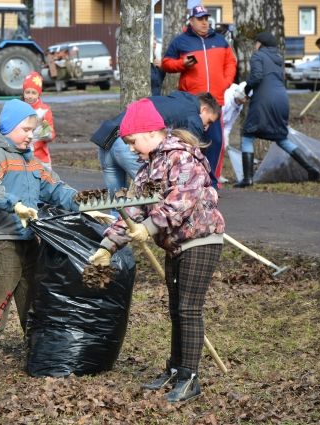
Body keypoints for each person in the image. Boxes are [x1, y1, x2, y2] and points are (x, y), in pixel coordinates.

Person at [89, 98, 225, 403]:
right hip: (176, 243)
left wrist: (148, 228)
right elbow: (133, 210)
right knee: (176, 308)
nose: (132, 148)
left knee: (189, 308)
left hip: (200, 239)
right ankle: (176, 370)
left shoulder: (182, 157)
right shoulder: (148, 167)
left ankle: (190, 378)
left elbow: (180, 203)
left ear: (150, 132)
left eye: (133, 141)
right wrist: (107, 247)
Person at [0, 99, 110, 374]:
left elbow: (56, 188)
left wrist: (86, 207)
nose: (31, 135)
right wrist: (13, 203)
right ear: (8, 128)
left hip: (30, 237)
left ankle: (34, 343)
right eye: (26, 130)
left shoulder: (32, 161)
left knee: (32, 294)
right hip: (1, 238)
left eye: (33, 130)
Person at [162, 4, 237, 188]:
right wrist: (182, 64)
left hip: (214, 102)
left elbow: (231, 63)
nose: (204, 23)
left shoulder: (220, 40)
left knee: (217, 141)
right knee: (190, 143)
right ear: (191, 21)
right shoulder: (181, 41)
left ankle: (211, 183)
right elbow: (166, 63)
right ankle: (186, 182)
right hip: (192, 104)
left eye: (206, 19)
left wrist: (225, 82)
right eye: (200, 19)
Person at [234, 32, 320, 187]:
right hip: (282, 99)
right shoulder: (278, 59)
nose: (255, 46)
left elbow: (257, 77)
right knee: (281, 138)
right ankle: (312, 169)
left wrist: (246, 91)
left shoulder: (258, 56)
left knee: (248, 135)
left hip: (264, 100)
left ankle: (247, 178)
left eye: (256, 43)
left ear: (260, 44)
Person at [94, 91, 221, 196]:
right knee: (153, 196)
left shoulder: (174, 99)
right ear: (203, 109)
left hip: (107, 139)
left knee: (117, 204)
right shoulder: (194, 117)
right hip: (127, 142)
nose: (206, 128)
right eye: (209, 121)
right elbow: (191, 152)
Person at [22, 71, 55, 171]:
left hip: (40, 155)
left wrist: (46, 132)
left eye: (33, 93)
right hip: (22, 155)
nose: (30, 96)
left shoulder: (44, 110)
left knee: (45, 181)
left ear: (39, 94)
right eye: (27, 92)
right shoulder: (19, 108)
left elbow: (51, 133)